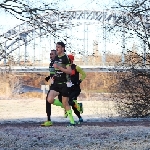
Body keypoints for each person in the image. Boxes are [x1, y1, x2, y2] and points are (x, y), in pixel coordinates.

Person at [47, 41, 76, 126]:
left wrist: (59, 67)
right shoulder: (56, 58)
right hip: (56, 83)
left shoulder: (65, 58)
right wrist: (53, 75)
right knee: (50, 99)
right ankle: (65, 107)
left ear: (63, 48)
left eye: (58, 47)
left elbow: (69, 71)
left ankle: (72, 122)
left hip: (64, 83)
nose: (57, 48)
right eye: (56, 47)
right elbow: (54, 70)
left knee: (65, 102)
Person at [64, 54, 86, 123]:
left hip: (76, 89)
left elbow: (84, 74)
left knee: (70, 101)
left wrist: (79, 81)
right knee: (73, 105)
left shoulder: (76, 67)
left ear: (70, 60)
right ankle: (80, 118)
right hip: (68, 89)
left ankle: (79, 106)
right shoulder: (65, 68)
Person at [41, 49, 57, 126]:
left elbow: (62, 73)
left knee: (64, 101)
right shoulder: (51, 63)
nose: (50, 56)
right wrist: (49, 77)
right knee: (48, 100)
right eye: (50, 54)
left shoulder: (58, 63)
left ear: (56, 55)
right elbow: (52, 73)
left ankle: (75, 106)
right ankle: (49, 119)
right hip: (53, 85)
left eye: (52, 54)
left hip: (60, 85)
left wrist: (55, 77)